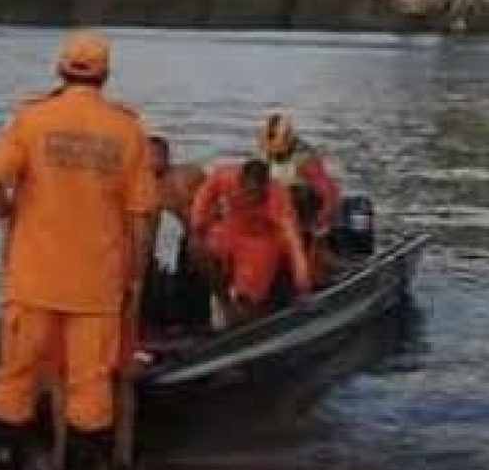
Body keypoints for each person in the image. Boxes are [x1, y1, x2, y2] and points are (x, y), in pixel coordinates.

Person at [0, 32, 156, 470]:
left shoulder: (32, 119)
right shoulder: (128, 130)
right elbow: (141, 219)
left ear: (61, 71)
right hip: (96, 288)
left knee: (15, 380)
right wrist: (133, 281)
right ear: (103, 74)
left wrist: (6, 209)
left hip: (33, 280)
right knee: (90, 389)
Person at [189, 157, 310, 322]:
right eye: (246, 190)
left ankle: (251, 302)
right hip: (232, 229)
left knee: (248, 304)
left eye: (255, 193)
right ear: (239, 181)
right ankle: (224, 302)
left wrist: (303, 286)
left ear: (265, 187)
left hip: (262, 240)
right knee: (197, 248)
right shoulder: (224, 175)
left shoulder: (279, 200)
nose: (249, 197)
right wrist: (198, 225)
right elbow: (204, 196)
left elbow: (294, 244)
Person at [141, 134, 210, 333]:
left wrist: (195, 237)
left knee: (194, 258)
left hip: (199, 232)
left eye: (155, 156)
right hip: (176, 237)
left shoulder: (186, 176)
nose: (150, 161)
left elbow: (207, 209)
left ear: (166, 156)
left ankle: (199, 322)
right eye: (147, 156)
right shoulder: (145, 184)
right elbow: (148, 227)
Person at [258, 113, 340, 280]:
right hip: (280, 213)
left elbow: (328, 196)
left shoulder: (304, 160)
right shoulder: (265, 156)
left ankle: (320, 265)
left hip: (309, 212)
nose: (274, 154)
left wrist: (320, 224)